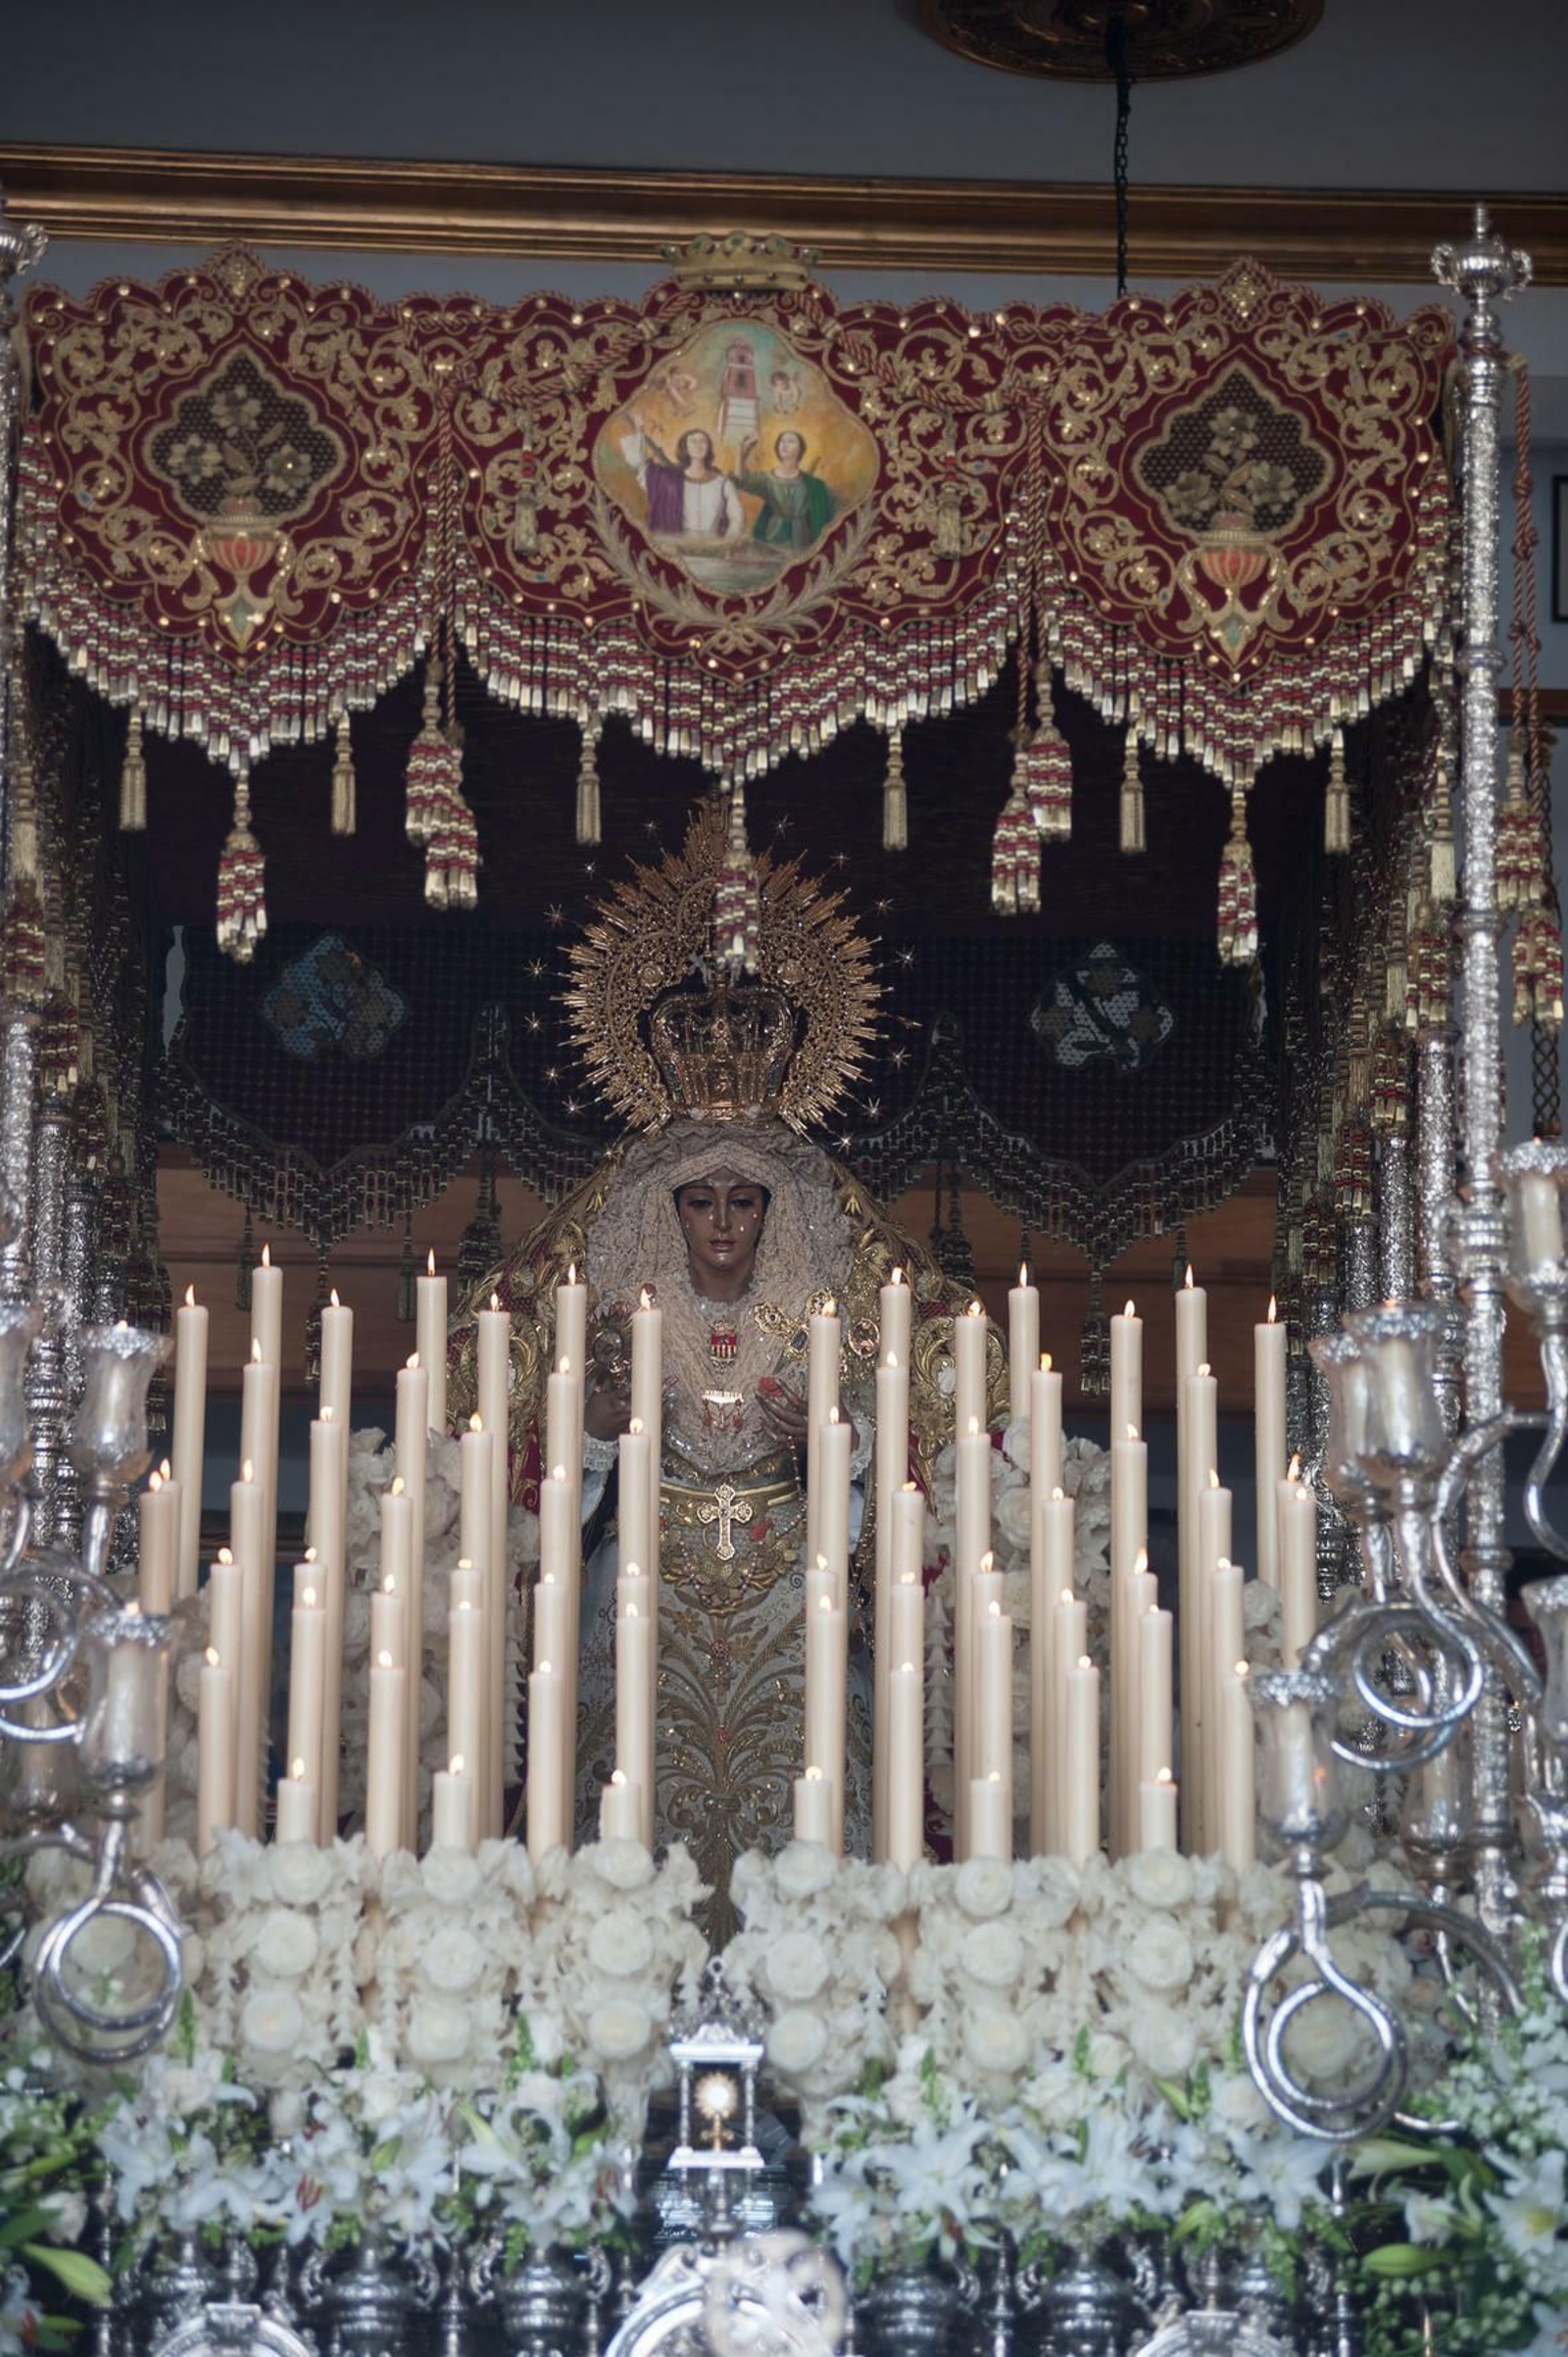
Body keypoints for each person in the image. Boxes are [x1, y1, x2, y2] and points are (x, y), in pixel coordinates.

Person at [454, 802, 985, 1931]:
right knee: (624, 1794)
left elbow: (885, 1481)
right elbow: (562, 1488)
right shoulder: (615, 1313)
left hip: (792, 1596)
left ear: (774, 1209)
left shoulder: (821, 1323)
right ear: (669, 1207)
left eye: (745, 1200)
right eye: (702, 1199)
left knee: (810, 1794)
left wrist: (835, 1450)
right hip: (642, 1588)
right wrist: (599, 1427)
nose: (724, 1223)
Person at [619, 417, 745, 540]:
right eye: (693, 441)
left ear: (708, 448)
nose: (698, 445)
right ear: (686, 447)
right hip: (677, 549)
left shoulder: (723, 483)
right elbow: (641, 466)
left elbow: (737, 518)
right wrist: (638, 431)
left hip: (713, 552)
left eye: (703, 441)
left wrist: (727, 543)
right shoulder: (669, 480)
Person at [734, 430, 837, 553]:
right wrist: (742, 450)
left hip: (802, 540)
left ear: (800, 449)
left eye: (791, 441)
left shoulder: (813, 484)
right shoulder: (767, 478)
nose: (784, 445)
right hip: (772, 538)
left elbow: (830, 512)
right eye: (782, 441)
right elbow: (741, 478)